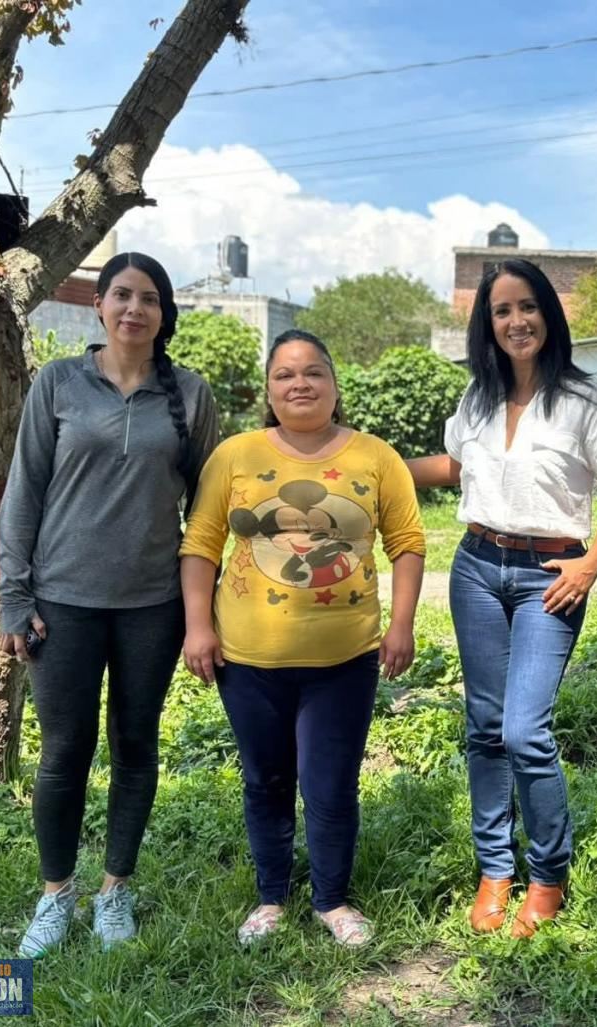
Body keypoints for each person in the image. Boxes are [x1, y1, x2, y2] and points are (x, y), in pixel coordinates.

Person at [0, 252, 219, 956]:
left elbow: (209, 508)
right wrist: (14, 594)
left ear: (163, 312)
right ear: (99, 304)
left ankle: (114, 891)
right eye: (122, 295)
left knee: (135, 746)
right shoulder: (59, 383)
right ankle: (56, 893)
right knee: (64, 752)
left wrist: (202, 608)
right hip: (62, 602)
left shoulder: (187, 394)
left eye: (148, 298)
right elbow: (23, 492)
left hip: (152, 605)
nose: (134, 309)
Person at [407, 258, 597, 939]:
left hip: (549, 576)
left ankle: (547, 873)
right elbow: (454, 468)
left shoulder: (585, 398)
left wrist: (591, 563)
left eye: (527, 305)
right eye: (502, 310)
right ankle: (494, 869)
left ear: (548, 313)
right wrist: (374, 464)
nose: (516, 320)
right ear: (488, 323)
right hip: (476, 566)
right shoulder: (474, 398)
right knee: (482, 728)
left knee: (523, 732)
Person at [179, 329, 425, 948]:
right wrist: (198, 626)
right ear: (269, 390)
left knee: (331, 783)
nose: (300, 384)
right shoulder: (234, 455)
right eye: (285, 375)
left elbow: (408, 543)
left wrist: (401, 624)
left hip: (345, 659)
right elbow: (201, 543)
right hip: (247, 658)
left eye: (313, 372)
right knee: (265, 780)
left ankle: (332, 901)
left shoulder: (376, 457)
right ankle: (271, 898)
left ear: (335, 385)